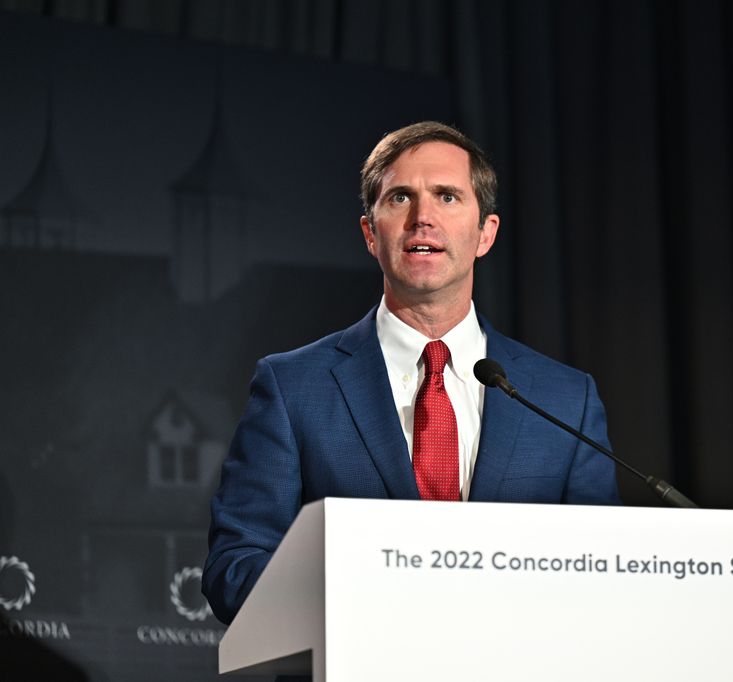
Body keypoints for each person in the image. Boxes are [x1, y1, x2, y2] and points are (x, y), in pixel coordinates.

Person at [202, 121, 620, 625]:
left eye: (447, 196)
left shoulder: (564, 398)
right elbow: (235, 570)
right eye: (400, 198)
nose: (423, 218)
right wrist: (370, 596)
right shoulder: (292, 388)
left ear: (485, 234)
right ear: (369, 233)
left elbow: (604, 573)